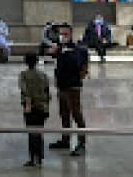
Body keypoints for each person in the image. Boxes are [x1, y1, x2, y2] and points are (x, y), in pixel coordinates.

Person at [49, 25, 88, 157]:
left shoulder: (76, 49)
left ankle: (82, 143)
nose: (62, 36)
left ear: (71, 35)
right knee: (64, 114)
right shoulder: (60, 49)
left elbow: (77, 65)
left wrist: (64, 53)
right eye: (60, 34)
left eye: (65, 34)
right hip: (62, 86)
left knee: (76, 114)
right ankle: (65, 139)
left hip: (73, 87)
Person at [19, 52, 51, 168]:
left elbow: (25, 91)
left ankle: (33, 158)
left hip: (30, 107)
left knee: (32, 133)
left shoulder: (23, 75)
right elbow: (47, 92)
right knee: (39, 132)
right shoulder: (43, 75)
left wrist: (27, 105)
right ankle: (40, 157)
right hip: (42, 107)